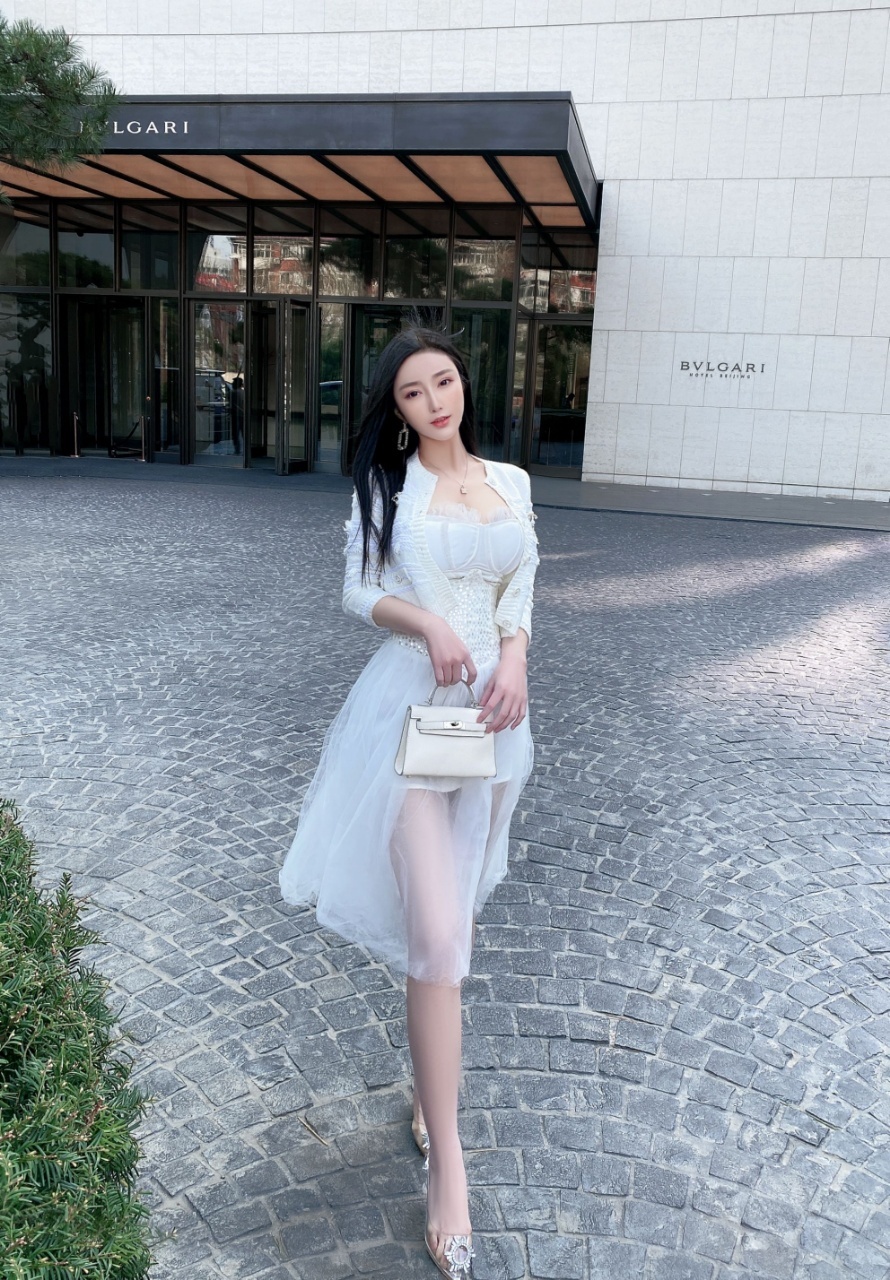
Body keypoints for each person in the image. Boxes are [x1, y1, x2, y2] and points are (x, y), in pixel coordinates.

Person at [279, 324, 540, 1277]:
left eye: (444, 382)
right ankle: (450, 1171)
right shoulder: (390, 488)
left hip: (494, 723)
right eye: (412, 393)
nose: (434, 402)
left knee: (452, 934)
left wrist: (514, 657)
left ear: (464, 385)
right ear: (395, 411)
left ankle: (428, 1098)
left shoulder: (511, 482)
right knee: (435, 937)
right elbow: (357, 589)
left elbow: (520, 588)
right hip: (408, 719)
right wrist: (426, 619)